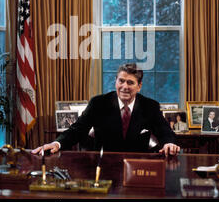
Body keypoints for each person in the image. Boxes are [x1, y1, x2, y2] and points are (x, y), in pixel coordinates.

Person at [32, 63, 180, 157]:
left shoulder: (150, 106)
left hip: (137, 165)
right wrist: (57, 144)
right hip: (102, 164)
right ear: (115, 81)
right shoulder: (98, 103)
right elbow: (77, 130)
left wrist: (169, 143)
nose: (124, 86)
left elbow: (165, 132)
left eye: (130, 82)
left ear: (139, 86)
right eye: (121, 81)